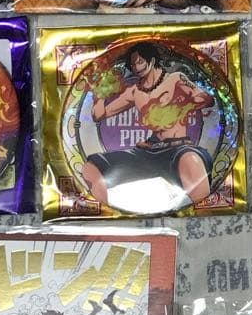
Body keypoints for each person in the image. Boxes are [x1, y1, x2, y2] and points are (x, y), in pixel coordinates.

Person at [77, 42, 216, 207]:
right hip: (148, 150)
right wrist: (98, 93)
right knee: (92, 167)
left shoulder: (176, 79)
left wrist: (181, 106)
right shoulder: (135, 91)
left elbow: (207, 99)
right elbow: (99, 115)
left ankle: (197, 214)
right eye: (133, 64)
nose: (136, 67)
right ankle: (110, 214)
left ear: (152, 60)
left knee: (192, 162)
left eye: (140, 61)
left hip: (178, 149)